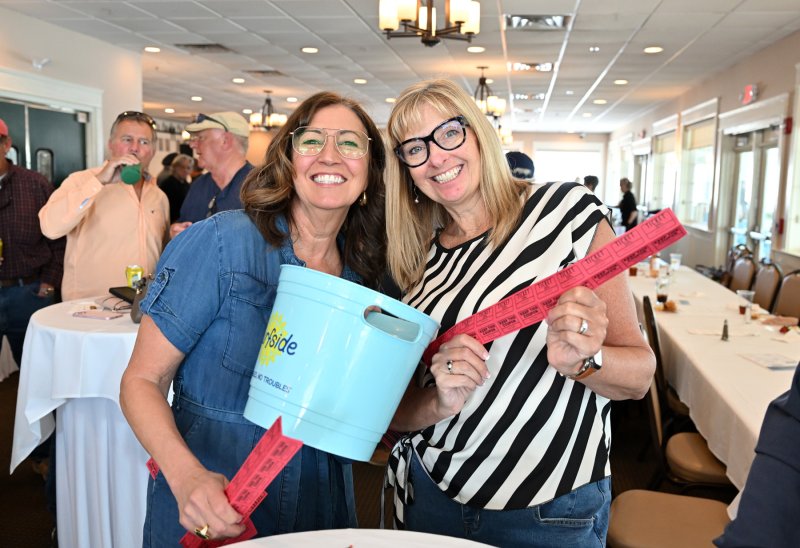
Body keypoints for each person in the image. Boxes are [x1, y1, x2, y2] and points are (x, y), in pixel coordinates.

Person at [382, 79, 654, 546]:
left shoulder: (567, 213)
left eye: (449, 133)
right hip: (433, 494)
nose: (437, 157)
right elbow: (393, 410)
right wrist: (438, 402)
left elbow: (640, 376)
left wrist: (587, 362)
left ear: (479, 134)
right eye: (415, 148)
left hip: (549, 507)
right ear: (405, 168)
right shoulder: (414, 265)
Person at [119, 92, 387, 545]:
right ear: (287, 158)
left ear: (369, 170)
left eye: (349, 144)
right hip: (218, 503)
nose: (329, 156)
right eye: (312, 141)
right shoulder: (221, 243)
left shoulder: (366, 275)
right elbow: (140, 381)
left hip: (321, 506)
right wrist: (187, 479)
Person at [39, 111, 170, 300]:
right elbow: (50, 227)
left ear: (152, 151)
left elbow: (162, 251)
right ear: (111, 145)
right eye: (127, 139)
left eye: (144, 142)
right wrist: (98, 182)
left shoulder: (159, 196)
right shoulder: (81, 181)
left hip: (143, 307)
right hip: (92, 308)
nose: (135, 148)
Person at [0, 117, 65, 366]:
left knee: (38, 369)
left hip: (28, 293)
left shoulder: (35, 184)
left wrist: (50, 282)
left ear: (7, 144)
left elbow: (58, 238)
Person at [170, 111, 253, 239]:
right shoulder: (199, 185)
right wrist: (176, 232)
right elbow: (184, 222)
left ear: (225, 141)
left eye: (200, 138)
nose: (192, 145)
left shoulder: (262, 188)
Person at [159, 153, 193, 222]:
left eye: (188, 168)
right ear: (175, 167)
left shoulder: (186, 184)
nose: (185, 170)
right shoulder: (167, 184)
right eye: (182, 167)